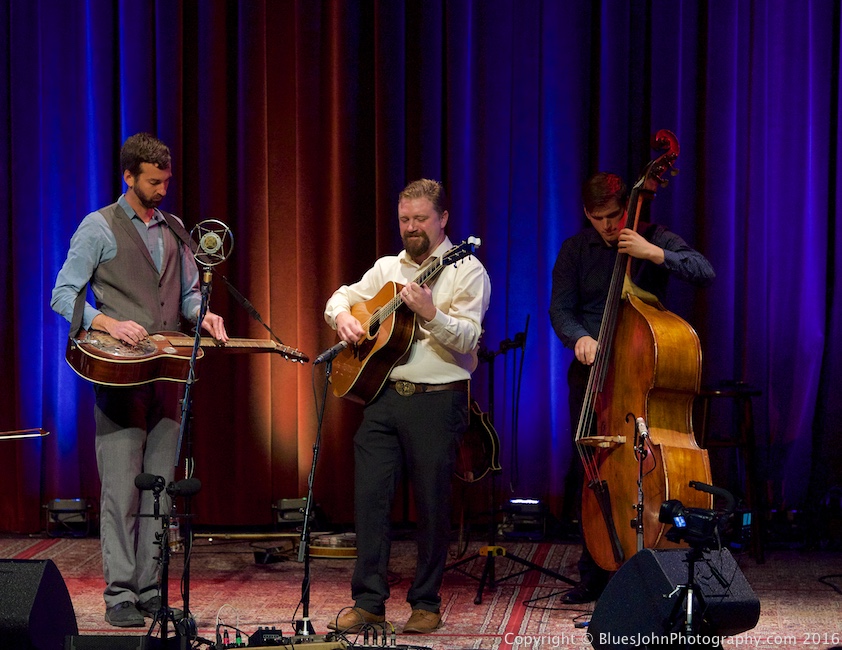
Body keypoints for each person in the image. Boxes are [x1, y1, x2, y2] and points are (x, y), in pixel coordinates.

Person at [51, 133, 228, 627]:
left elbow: (189, 294)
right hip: (119, 377)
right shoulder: (99, 227)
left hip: (166, 373)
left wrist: (203, 317)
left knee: (160, 491)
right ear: (128, 177)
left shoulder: (174, 228)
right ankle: (119, 595)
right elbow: (63, 295)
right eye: (153, 181)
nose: (162, 189)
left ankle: (150, 589)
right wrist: (106, 323)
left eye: (166, 180)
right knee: (121, 493)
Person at [323, 179, 491, 634]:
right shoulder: (386, 267)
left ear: (442, 219)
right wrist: (342, 318)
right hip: (382, 399)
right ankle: (369, 601)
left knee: (432, 505)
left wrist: (432, 314)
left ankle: (426, 602)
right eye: (405, 219)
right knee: (370, 500)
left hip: (437, 402)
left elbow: (471, 338)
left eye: (420, 219)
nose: (412, 227)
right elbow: (341, 297)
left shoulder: (467, 269)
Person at [549, 171, 715, 603]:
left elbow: (704, 271)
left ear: (629, 207)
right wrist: (579, 338)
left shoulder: (655, 236)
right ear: (587, 213)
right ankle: (594, 570)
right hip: (593, 377)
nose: (607, 225)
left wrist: (655, 254)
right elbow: (560, 309)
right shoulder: (574, 250)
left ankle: (654, 562)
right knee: (592, 469)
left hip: (642, 377)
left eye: (614, 215)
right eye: (597, 217)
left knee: (643, 469)